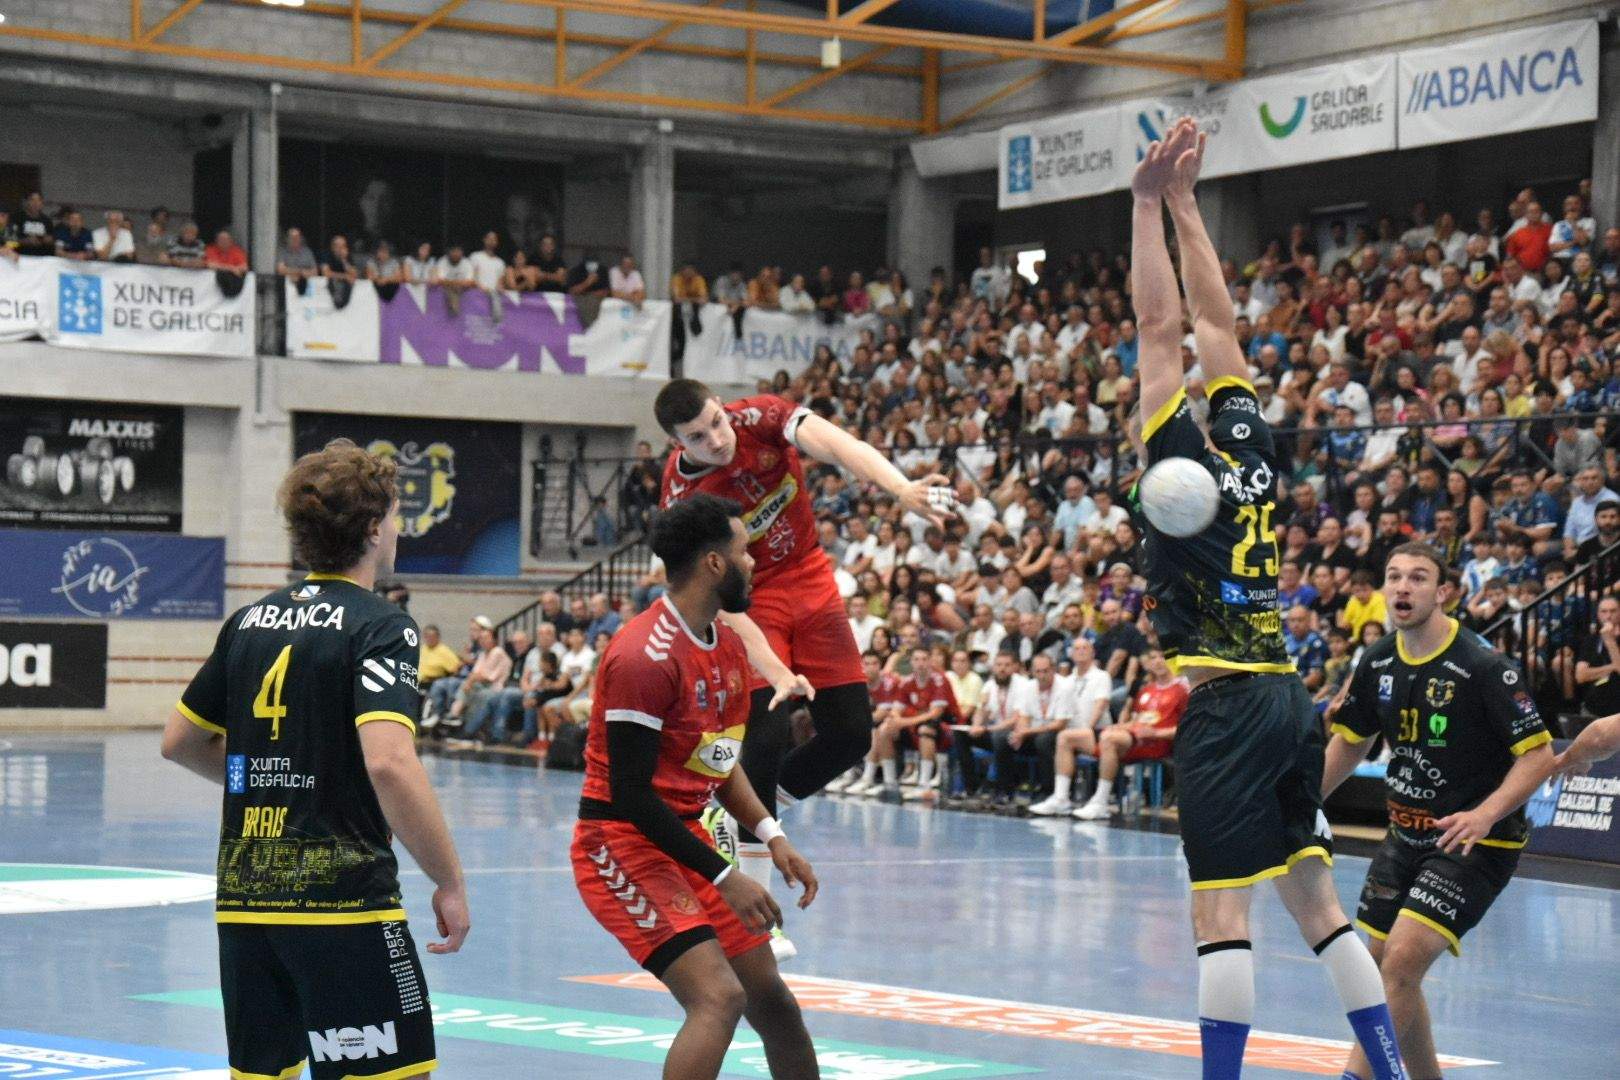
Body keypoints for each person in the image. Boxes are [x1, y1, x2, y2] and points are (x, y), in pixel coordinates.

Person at [1129, 118, 1407, 1080]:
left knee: (1220, 913)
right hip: (1291, 700)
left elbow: (1159, 330)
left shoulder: (1173, 454)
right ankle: (1389, 1073)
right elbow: (1215, 329)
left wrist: (1142, 205)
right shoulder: (1251, 456)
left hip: (1228, 707)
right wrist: (1187, 203)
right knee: (1318, 905)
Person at [160, 439, 467, 1080]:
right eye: (395, 517)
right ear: (375, 528)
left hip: (245, 904)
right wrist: (449, 880)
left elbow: (181, 741)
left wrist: (268, 780)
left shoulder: (248, 621)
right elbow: (389, 762)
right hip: (343, 904)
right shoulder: (382, 625)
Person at [654, 378, 955, 960]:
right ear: (676, 443)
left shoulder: (759, 418)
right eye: (698, 437)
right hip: (749, 598)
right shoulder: (685, 499)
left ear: (722, 407)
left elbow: (837, 444)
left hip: (811, 579)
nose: (716, 439)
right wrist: (773, 668)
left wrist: (901, 488)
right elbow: (720, 601)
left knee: (851, 735)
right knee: (765, 738)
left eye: (716, 421)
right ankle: (758, 923)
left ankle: (741, 815)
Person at [571, 494, 819, 1080]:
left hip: (687, 840)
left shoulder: (726, 644)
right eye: (744, 552)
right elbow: (631, 796)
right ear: (714, 563)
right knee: (719, 999)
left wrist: (771, 834)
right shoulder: (643, 656)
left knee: (774, 1003)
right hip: (619, 843)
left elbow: (718, 760)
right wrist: (726, 877)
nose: (753, 563)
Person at [1323, 544, 1553, 1080]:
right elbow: (1352, 740)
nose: (1403, 587)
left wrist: (1485, 814)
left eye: (1418, 577)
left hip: (1474, 841)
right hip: (1404, 834)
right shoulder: (1377, 659)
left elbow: (1539, 755)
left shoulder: (1483, 665)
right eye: (1394, 576)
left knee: (1402, 962)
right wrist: (1303, 802)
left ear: (1443, 592)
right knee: (1382, 966)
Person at [1075, 647, 1188, 819]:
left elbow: (1188, 727)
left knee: (1109, 739)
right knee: (1068, 737)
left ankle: (1100, 801)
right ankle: (1061, 797)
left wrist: (1156, 733)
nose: (1158, 661)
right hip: (1135, 738)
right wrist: (1121, 726)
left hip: (1160, 743)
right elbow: (1137, 721)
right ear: (1148, 663)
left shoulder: (1182, 690)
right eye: (1153, 658)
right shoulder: (1146, 690)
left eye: (1163, 657)